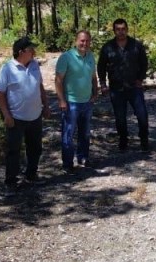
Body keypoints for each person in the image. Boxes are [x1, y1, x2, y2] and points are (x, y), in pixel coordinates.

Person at [0, 36, 51, 189]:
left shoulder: (34, 65)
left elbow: (40, 86)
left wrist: (46, 105)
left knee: (35, 148)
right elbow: (0, 94)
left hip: (35, 116)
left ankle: (31, 175)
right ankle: (11, 182)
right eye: (31, 49)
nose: (34, 52)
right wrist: (6, 115)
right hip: (16, 118)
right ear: (21, 52)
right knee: (13, 150)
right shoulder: (7, 68)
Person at [97, 18, 150, 152]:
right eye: (118, 29)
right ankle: (123, 140)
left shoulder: (136, 45)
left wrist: (140, 79)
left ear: (127, 29)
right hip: (116, 88)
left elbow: (144, 63)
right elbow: (101, 66)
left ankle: (144, 140)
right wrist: (103, 84)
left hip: (134, 87)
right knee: (120, 118)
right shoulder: (108, 47)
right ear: (114, 31)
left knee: (142, 115)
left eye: (123, 29)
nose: (121, 32)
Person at [55, 30, 99, 171]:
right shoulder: (66, 57)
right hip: (71, 102)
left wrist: (95, 93)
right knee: (68, 134)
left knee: (85, 133)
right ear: (76, 41)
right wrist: (62, 100)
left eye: (87, 41)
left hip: (87, 102)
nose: (84, 43)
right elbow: (58, 80)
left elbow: (93, 77)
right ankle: (68, 164)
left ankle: (83, 158)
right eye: (82, 41)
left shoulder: (91, 56)